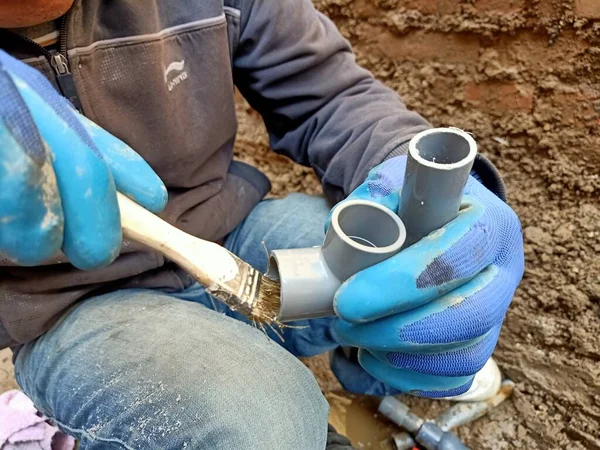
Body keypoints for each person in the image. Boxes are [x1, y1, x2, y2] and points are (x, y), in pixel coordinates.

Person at [0, 0, 525, 448]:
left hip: (224, 234)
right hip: (67, 304)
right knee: (263, 416)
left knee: (391, 259)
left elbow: (330, 94)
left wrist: (403, 169)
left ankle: (364, 360)